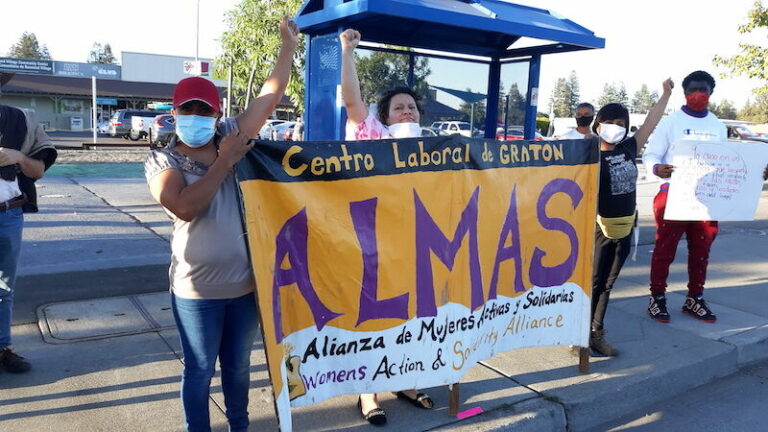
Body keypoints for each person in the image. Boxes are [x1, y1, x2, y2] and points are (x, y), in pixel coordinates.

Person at [144, 18, 298, 432]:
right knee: (198, 371)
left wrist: (286, 49)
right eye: (187, 109)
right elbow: (183, 206)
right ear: (174, 113)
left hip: (244, 288)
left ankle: (240, 427)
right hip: (196, 291)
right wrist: (226, 160)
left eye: (204, 109)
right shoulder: (163, 160)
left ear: (217, 114)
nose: (195, 115)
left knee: (238, 369)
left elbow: (270, 96)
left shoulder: (231, 133)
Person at [340, 28, 434, 426]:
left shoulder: (433, 148)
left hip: (417, 247)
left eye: (412, 107)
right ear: (385, 117)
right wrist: (348, 52)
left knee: (412, 320)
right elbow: (352, 101)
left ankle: (405, 380)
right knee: (373, 320)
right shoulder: (374, 137)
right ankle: (367, 392)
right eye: (399, 108)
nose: (407, 112)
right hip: (372, 247)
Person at [587, 79, 673, 356]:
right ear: (598, 124)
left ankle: (596, 334)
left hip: (626, 226)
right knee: (593, 283)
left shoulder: (629, 149)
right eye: (610, 120)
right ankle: (578, 336)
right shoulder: (586, 156)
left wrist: (666, 94)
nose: (616, 126)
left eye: (620, 122)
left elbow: (653, 119)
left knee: (609, 283)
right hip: (598, 228)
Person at [642, 71, 726, 323]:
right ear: (685, 93)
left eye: (704, 89)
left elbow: (728, 162)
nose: (698, 94)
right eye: (693, 89)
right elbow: (651, 155)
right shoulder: (671, 123)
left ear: (711, 93)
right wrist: (657, 169)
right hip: (673, 196)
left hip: (706, 200)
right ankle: (657, 297)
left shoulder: (717, 126)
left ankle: (695, 298)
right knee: (664, 250)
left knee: (701, 251)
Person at [0, 105, 57, 373]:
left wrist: (18, 157)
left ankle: (3, 349)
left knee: (3, 289)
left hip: (8, 214)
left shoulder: (18, 121)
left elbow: (37, 171)